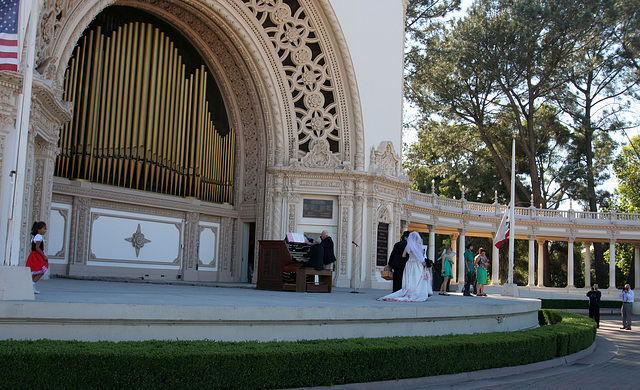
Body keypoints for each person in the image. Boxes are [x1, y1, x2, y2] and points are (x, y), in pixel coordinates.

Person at [378, 232, 431, 302]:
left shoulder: (397, 244)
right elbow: (418, 256)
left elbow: (393, 254)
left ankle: (395, 291)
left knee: (396, 279)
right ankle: (411, 291)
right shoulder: (413, 245)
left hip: (399, 264)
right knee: (412, 278)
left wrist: (390, 264)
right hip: (409, 264)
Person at [26, 221, 49, 294]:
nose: (45, 231)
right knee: (42, 270)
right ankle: (32, 284)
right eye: (44, 229)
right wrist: (43, 256)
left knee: (37, 271)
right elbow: (37, 248)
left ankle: (31, 285)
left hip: (34, 255)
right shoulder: (39, 236)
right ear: (39, 229)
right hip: (37, 255)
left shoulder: (35, 236)